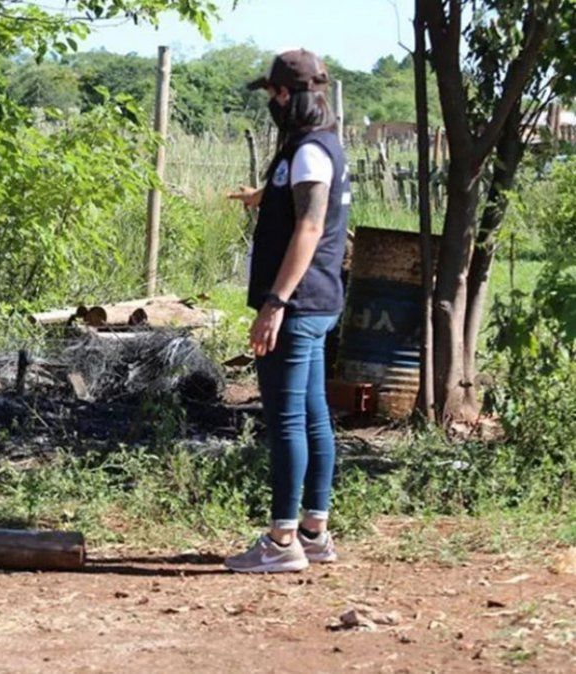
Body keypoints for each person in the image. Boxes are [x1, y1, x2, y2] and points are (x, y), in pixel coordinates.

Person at [223, 49, 350, 574]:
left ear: (287, 95)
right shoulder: (314, 147)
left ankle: (281, 542)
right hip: (317, 302)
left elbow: (311, 228)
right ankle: (314, 532)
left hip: (297, 306)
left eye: (274, 93)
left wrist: (274, 304)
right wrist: (263, 197)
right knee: (314, 414)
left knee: (287, 419)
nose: (271, 102)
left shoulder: (310, 153)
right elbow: (298, 205)